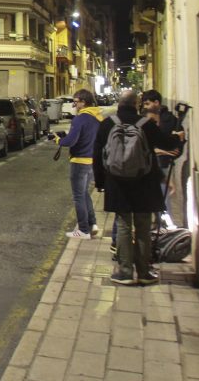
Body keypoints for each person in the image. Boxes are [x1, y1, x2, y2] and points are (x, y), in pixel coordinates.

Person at [93, 90, 171, 285]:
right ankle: (144, 272)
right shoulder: (146, 124)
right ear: (137, 104)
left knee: (123, 225)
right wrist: (179, 137)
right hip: (144, 182)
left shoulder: (108, 124)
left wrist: (100, 182)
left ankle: (125, 272)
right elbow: (166, 143)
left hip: (117, 182)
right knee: (143, 226)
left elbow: (97, 155)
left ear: (119, 104)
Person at [55, 89, 103, 239]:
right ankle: (92, 224)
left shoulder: (80, 119)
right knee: (84, 194)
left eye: (76, 102)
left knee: (78, 196)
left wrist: (58, 140)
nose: (74, 105)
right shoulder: (98, 117)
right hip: (92, 162)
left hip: (79, 162)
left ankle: (83, 230)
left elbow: (71, 141)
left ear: (84, 102)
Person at [140, 89, 186, 226]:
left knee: (162, 196)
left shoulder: (169, 120)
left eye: (147, 103)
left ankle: (163, 224)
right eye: (144, 104)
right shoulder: (147, 118)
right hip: (151, 163)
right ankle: (158, 222)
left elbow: (174, 143)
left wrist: (166, 151)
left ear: (156, 102)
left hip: (162, 163)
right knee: (153, 196)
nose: (145, 106)